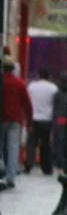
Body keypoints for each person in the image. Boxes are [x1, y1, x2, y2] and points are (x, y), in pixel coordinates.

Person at [1, 56, 32, 188]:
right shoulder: (19, 83)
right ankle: (10, 177)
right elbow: (27, 104)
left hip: (1, 118)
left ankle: (2, 169)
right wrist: (29, 121)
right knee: (13, 147)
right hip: (15, 120)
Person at [25, 69, 59, 175]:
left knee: (31, 143)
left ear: (39, 75)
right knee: (45, 145)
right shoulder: (53, 88)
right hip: (46, 119)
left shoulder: (31, 86)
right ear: (49, 76)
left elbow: (28, 100)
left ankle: (29, 165)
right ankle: (46, 167)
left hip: (33, 118)